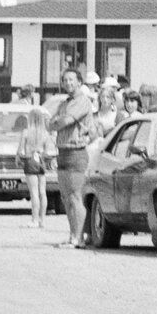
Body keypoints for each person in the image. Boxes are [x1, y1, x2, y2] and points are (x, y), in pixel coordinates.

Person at [48, 67, 95, 249]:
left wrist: (59, 121)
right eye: (65, 80)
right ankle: (72, 235)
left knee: (76, 197)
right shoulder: (63, 103)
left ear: (79, 82)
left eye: (71, 79)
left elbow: (64, 122)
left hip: (76, 152)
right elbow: (51, 124)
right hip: (62, 152)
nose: (68, 83)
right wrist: (58, 121)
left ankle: (79, 237)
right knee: (66, 197)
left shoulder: (82, 101)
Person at [15, 106, 57, 229]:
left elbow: (20, 150)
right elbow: (48, 151)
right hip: (40, 160)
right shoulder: (45, 134)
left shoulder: (26, 132)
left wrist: (18, 158)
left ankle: (34, 219)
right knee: (42, 192)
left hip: (30, 160)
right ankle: (42, 219)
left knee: (34, 192)